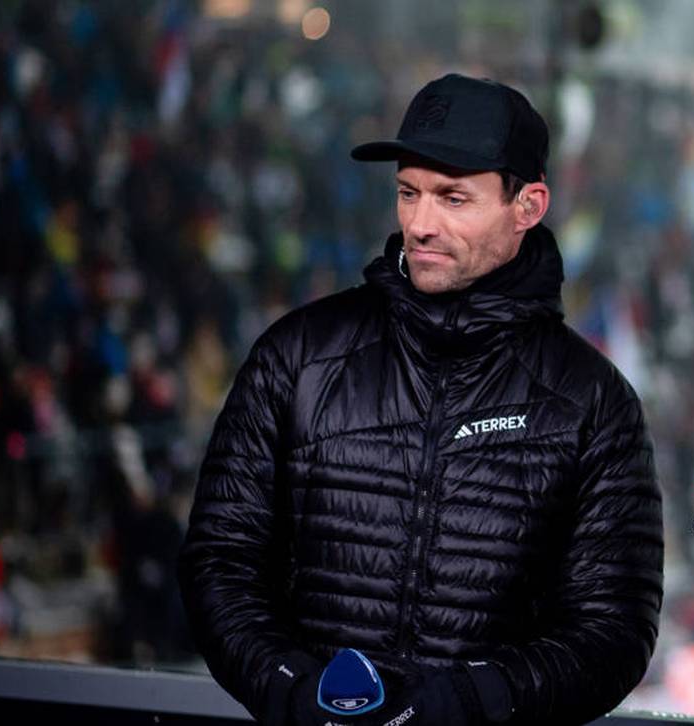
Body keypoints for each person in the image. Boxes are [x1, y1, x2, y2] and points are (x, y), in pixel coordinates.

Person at [178, 73, 664, 726]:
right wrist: (294, 688)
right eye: (408, 193)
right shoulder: (295, 356)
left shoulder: (593, 402)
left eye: (453, 198)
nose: (421, 224)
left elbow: (613, 631)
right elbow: (219, 563)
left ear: (529, 205)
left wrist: (461, 704)